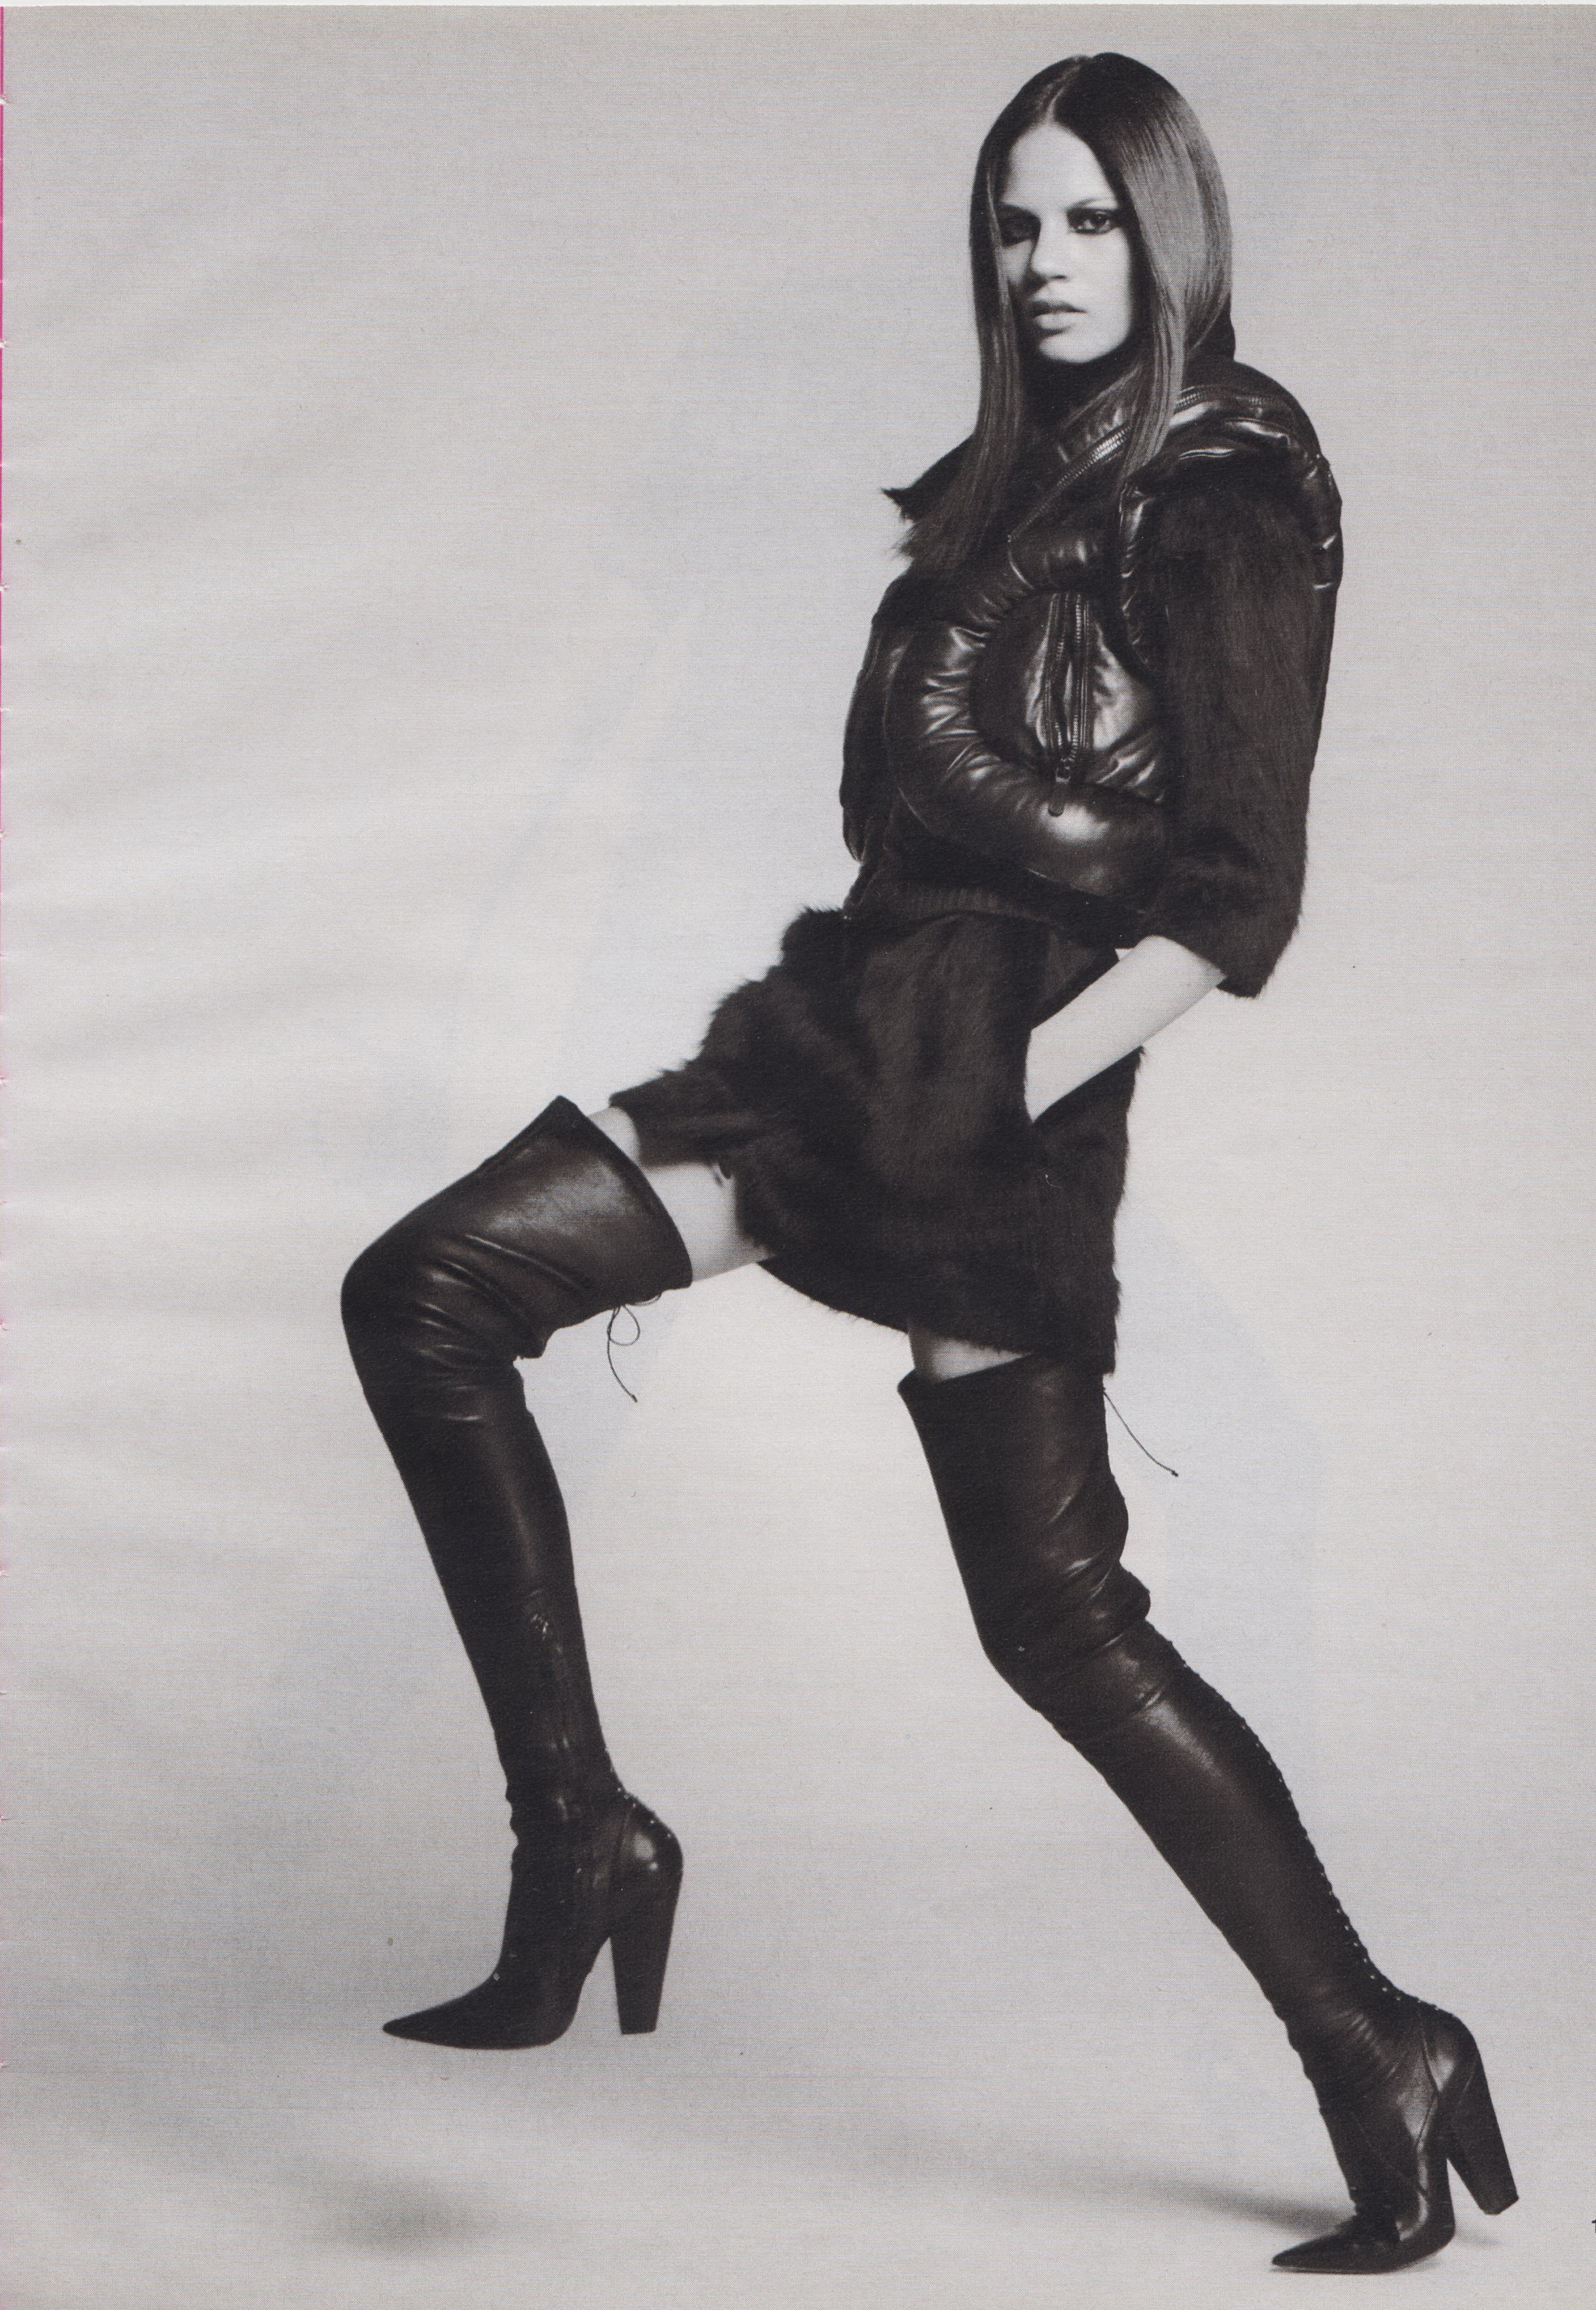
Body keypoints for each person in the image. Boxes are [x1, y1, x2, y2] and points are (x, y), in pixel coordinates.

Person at [342, 52, 1517, 2276]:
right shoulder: (1018, 477)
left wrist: (1009, 1095)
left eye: (1089, 220)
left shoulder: (1224, 484)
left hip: (1000, 1084)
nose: (1046, 263)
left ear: (1169, 232)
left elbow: (1232, 904)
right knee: (430, 1290)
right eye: (1014, 222)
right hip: (847, 1030)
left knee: (1054, 1617)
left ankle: (1379, 2040)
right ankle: (582, 1837)